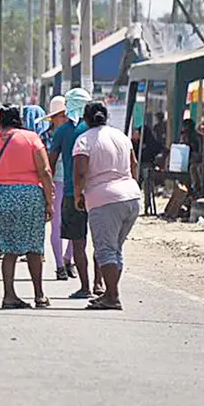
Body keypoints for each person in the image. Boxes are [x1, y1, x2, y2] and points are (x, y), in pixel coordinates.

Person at [0, 104, 54, 309]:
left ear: (1, 120)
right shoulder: (31, 138)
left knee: (9, 250)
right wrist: (49, 201)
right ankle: (39, 295)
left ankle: (9, 295)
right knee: (34, 248)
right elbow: (44, 171)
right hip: (29, 196)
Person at [73, 101, 141, 311]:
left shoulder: (84, 140)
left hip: (104, 199)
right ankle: (110, 293)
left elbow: (81, 173)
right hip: (131, 196)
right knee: (115, 249)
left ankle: (112, 296)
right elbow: (134, 165)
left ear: (85, 119)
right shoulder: (121, 136)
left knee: (105, 250)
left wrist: (78, 195)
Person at [49, 88, 101, 299]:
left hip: (72, 192)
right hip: (98, 191)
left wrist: (47, 187)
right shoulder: (97, 130)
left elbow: (50, 162)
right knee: (100, 240)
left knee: (78, 242)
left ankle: (85, 286)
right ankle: (99, 284)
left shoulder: (62, 131)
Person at [42, 96, 76, 281]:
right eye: (60, 115)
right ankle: (59, 265)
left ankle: (69, 258)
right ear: (53, 118)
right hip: (55, 182)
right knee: (56, 225)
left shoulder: (74, 133)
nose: (64, 118)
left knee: (76, 223)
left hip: (73, 181)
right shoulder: (44, 137)